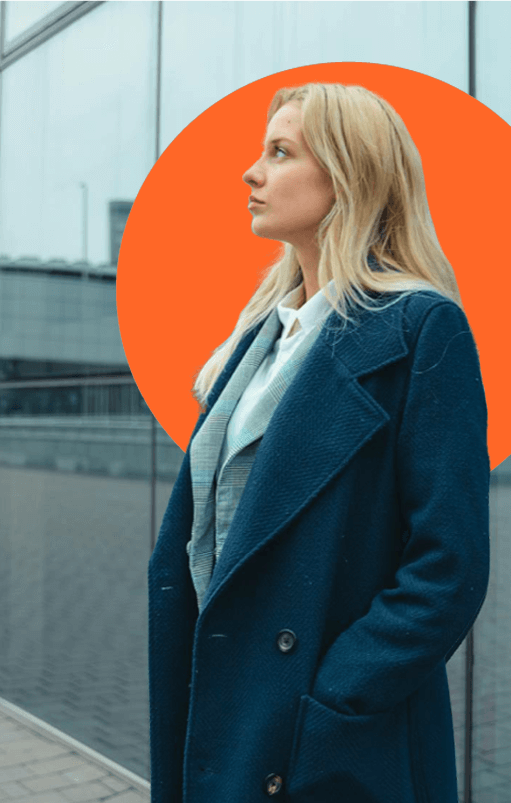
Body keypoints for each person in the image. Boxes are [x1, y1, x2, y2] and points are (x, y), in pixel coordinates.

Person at [148, 82, 490, 803]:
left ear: (349, 175)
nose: (251, 172)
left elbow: (447, 566)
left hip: (323, 735)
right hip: (224, 703)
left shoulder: (422, 330)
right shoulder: (257, 340)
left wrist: (332, 695)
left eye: (280, 152)